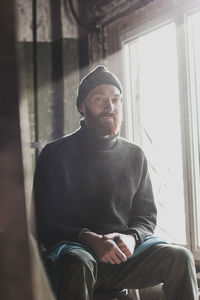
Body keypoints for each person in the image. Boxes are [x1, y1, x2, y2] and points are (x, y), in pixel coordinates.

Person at [33, 65, 198, 300]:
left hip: (124, 257)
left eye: (116, 99)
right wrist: (90, 238)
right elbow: (43, 224)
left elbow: (146, 218)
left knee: (180, 257)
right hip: (75, 256)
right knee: (77, 260)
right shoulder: (54, 154)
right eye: (99, 99)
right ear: (82, 106)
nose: (110, 107)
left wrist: (132, 238)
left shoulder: (135, 155)